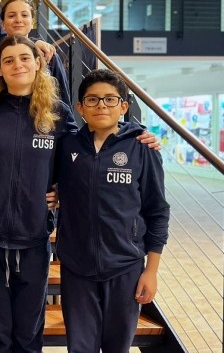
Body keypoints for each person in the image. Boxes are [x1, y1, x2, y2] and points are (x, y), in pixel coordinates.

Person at [0, 35, 76, 352]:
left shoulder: (57, 113)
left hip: (34, 234)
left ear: (38, 63)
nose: (17, 64)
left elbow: (81, 159)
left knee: (29, 331)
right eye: (9, 60)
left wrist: (63, 189)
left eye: (24, 58)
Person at [55, 69, 169, 352]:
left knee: (117, 348)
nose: (101, 106)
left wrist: (151, 271)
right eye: (92, 100)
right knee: (80, 347)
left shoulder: (142, 147)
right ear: (80, 108)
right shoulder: (67, 146)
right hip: (76, 268)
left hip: (125, 267)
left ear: (124, 106)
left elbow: (157, 211)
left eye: (110, 99)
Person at [0, 0, 71, 106]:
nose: (18, 20)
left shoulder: (48, 55)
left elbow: (63, 97)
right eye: (11, 16)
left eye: (24, 15)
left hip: (45, 114)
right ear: (3, 24)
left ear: (32, 22)